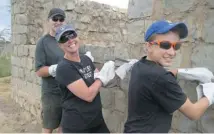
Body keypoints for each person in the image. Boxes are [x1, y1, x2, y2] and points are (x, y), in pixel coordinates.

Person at [123, 20, 214, 133]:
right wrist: (210, 93)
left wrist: (175, 72)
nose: (172, 52)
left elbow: (155, 80)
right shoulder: (161, 77)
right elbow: (193, 113)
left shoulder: (140, 65)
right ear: (149, 46)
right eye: (165, 45)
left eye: (176, 46)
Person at [55, 24, 115, 133]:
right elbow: (88, 95)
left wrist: (115, 72)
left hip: (96, 121)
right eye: (64, 38)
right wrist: (102, 77)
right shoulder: (64, 68)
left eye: (72, 35)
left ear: (77, 37)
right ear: (60, 45)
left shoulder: (86, 59)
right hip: (77, 126)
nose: (70, 40)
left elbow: (97, 79)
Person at [35, 8, 66, 133]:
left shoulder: (67, 39)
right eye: (55, 19)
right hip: (51, 93)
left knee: (64, 127)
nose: (58, 22)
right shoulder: (43, 42)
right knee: (48, 126)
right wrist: (55, 69)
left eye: (61, 19)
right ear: (49, 21)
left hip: (68, 91)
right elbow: (39, 71)